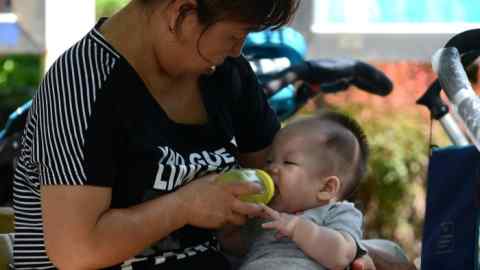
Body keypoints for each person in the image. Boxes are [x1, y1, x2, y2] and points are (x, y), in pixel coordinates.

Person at [10, 0, 415, 269]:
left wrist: (349, 247)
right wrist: (184, 205)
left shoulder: (223, 74)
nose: (239, 52)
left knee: (397, 259)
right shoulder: (82, 85)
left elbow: (286, 189)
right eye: (234, 36)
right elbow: (76, 250)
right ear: (179, 13)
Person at [219, 111, 368, 270]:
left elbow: (341, 255)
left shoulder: (338, 212)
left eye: (288, 162)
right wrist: (230, 217)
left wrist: (298, 228)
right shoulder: (266, 215)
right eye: (269, 160)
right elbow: (233, 245)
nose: (271, 168)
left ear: (326, 188)